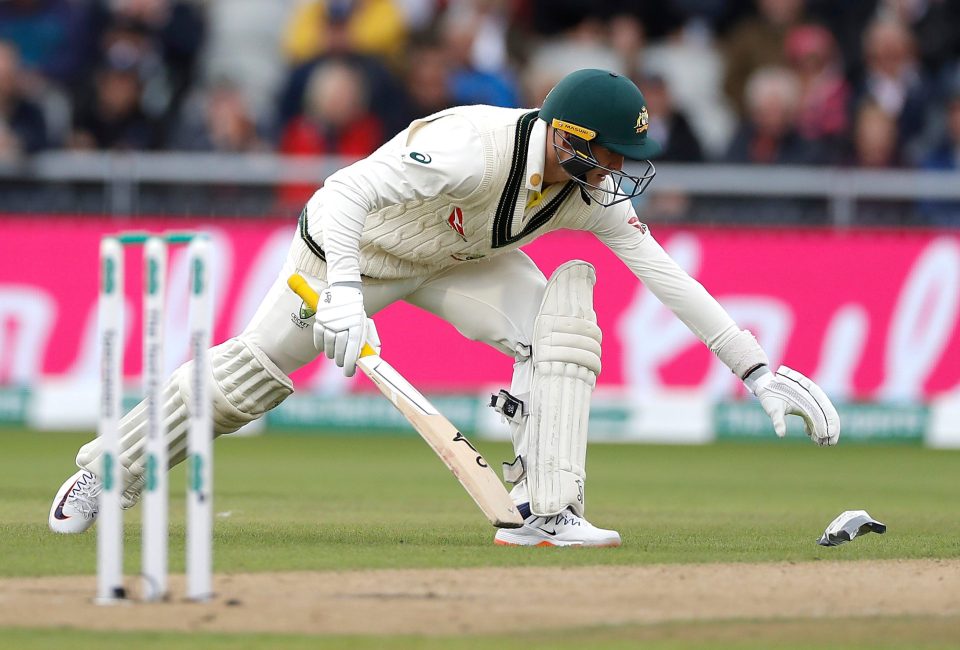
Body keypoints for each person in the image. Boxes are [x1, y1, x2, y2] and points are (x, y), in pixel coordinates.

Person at [48, 69, 840, 547]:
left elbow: (665, 274)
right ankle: (107, 470)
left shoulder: (586, 190)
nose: (618, 174)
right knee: (249, 379)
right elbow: (340, 194)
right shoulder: (472, 147)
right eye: (610, 156)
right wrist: (348, 297)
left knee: (560, 328)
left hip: (460, 262)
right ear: (568, 137)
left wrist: (757, 368)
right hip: (357, 251)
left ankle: (546, 511)